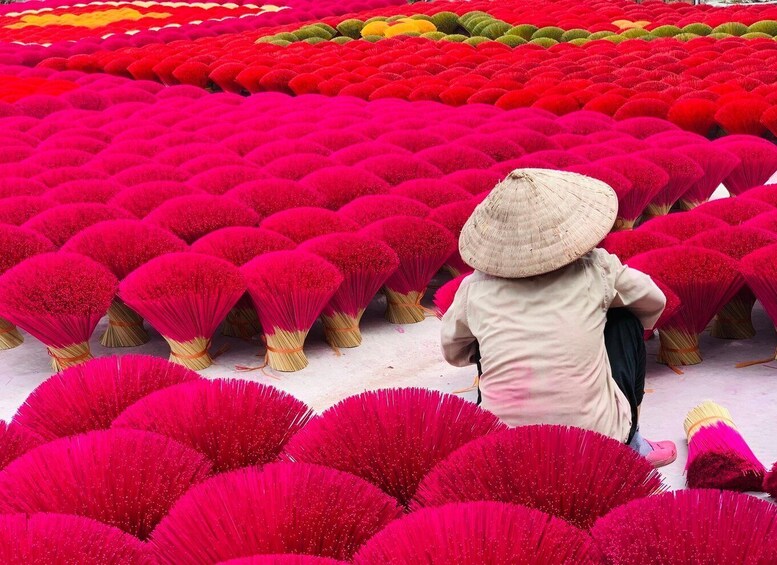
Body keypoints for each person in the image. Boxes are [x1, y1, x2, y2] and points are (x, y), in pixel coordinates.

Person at [440, 168, 677, 467]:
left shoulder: (474, 287)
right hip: (598, 441)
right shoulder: (597, 268)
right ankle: (632, 445)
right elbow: (653, 301)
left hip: (502, 447)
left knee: (480, 349)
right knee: (626, 322)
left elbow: (453, 350)